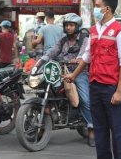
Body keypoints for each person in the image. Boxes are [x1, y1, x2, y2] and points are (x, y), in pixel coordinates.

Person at [64, 0, 121, 159]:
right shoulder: (93, 30)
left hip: (111, 88)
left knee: (118, 131)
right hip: (94, 85)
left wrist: (119, 91)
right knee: (99, 131)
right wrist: (73, 75)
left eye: (98, 6)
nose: (95, 9)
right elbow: (87, 57)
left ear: (107, 9)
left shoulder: (120, 31)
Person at [41, 13, 95, 147]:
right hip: (63, 71)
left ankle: (92, 128)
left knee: (85, 99)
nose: (68, 28)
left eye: (71, 25)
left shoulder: (84, 39)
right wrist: (39, 62)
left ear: (77, 26)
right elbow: (52, 52)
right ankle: (47, 116)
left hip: (80, 72)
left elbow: (84, 56)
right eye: (67, 25)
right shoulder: (63, 40)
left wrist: (77, 60)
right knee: (45, 86)